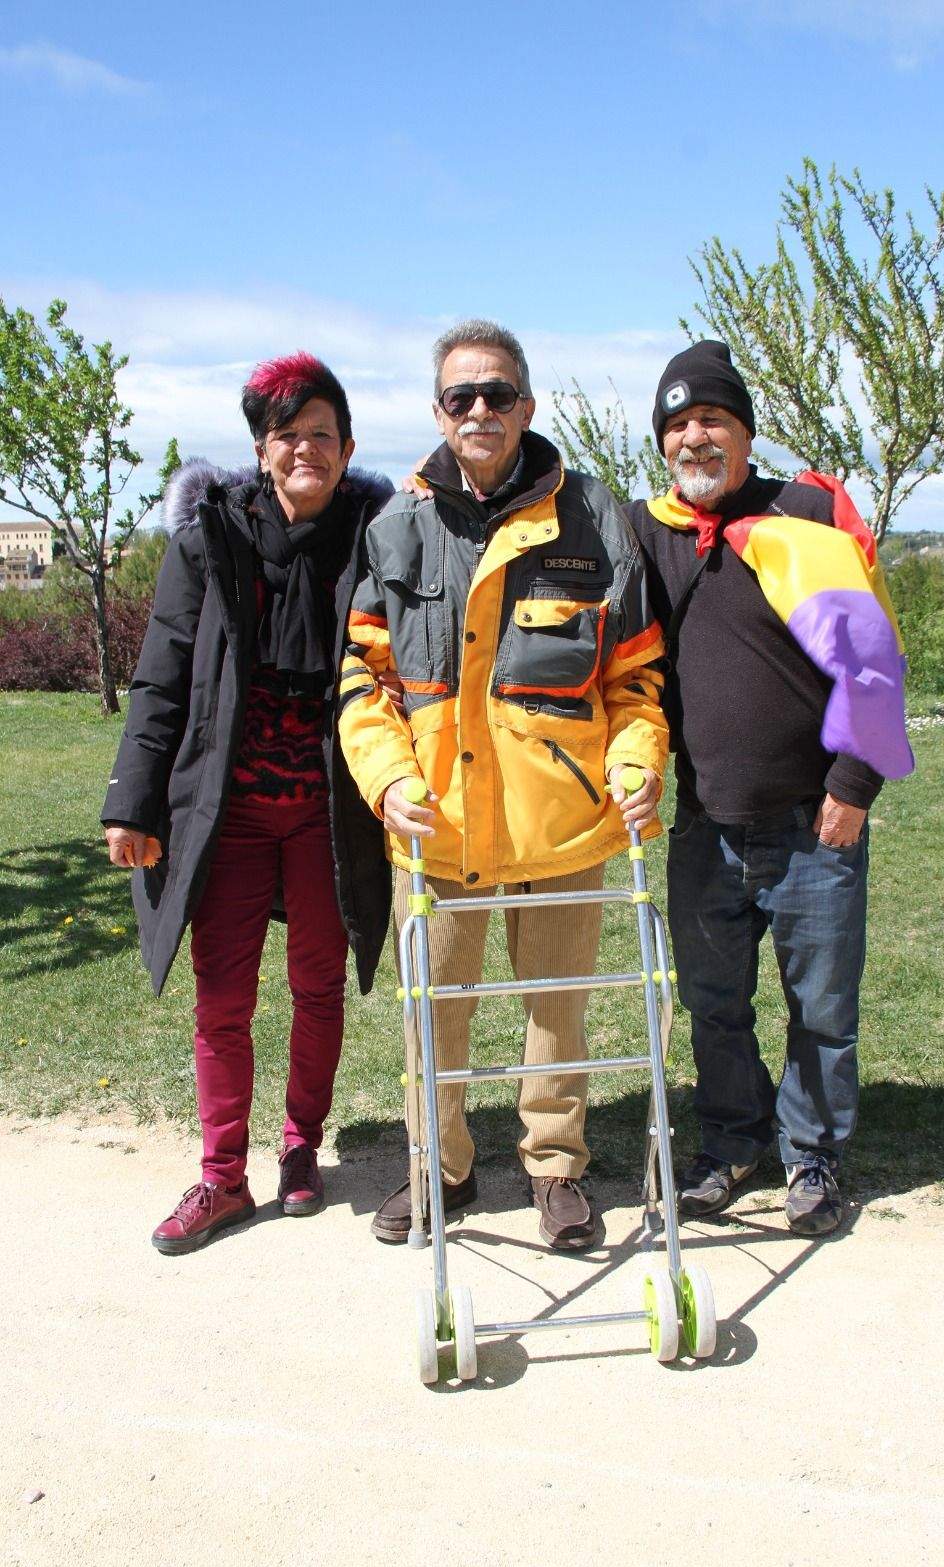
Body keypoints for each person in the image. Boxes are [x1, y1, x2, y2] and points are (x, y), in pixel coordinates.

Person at [337, 318, 669, 1249]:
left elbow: (636, 680)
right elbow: (365, 680)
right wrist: (387, 780)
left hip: (565, 825)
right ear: (439, 412)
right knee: (431, 1019)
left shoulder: (598, 519)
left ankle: (555, 1170)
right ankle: (436, 1169)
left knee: (558, 1013)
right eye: (460, 397)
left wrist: (636, 766)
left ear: (527, 404)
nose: (479, 410)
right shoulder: (396, 527)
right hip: (436, 826)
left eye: (497, 394)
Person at [102, 353, 393, 1254]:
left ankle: (301, 1149)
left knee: (318, 988)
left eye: (321, 433)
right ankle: (221, 1178)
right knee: (221, 1000)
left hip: (326, 814)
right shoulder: (207, 541)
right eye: (286, 434)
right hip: (224, 814)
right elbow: (159, 680)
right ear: (260, 449)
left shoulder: (375, 540)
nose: (304, 448)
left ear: (346, 447)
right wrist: (132, 803)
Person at [626, 341, 912, 1236]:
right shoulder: (652, 534)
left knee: (822, 1010)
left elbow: (874, 658)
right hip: (704, 826)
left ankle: (814, 1159)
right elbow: (554, 517)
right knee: (714, 1006)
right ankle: (732, 1144)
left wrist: (856, 783)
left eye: (711, 418)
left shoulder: (807, 516)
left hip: (812, 820)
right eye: (676, 425)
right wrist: (436, 485)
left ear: (745, 431)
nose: (693, 438)